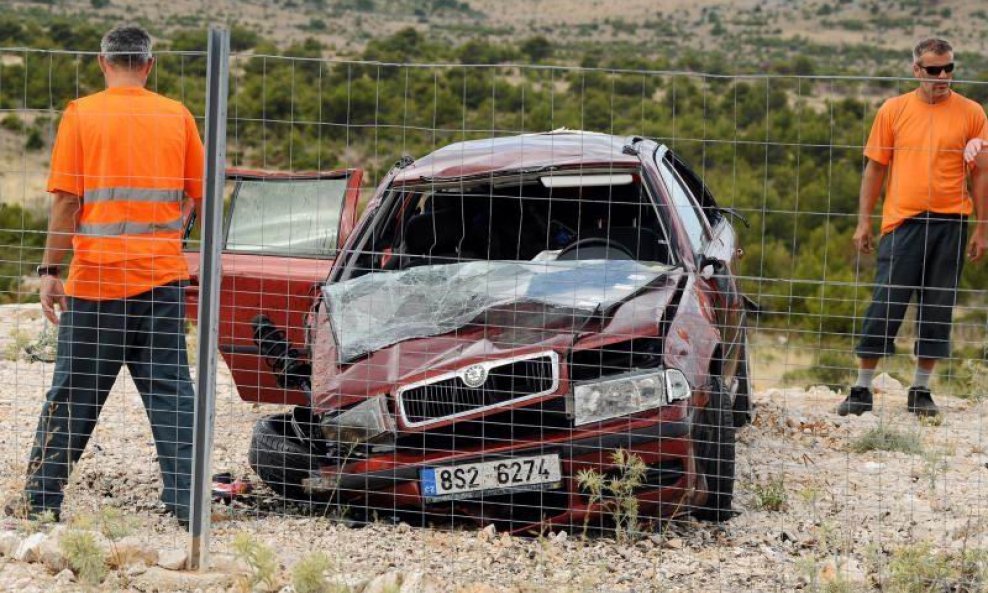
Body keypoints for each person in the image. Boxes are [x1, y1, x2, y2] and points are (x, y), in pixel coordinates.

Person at [12, 25, 204, 526]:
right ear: (149, 64)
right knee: (170, 394)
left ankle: (40, 502)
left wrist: (51, 270)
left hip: (96, 283)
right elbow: (197, 196)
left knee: (73, 394)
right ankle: (188, 506)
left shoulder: (82, 115)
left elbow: (66, 204)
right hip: (162, 281)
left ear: (102, 62)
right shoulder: (177, 116)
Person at [837, 38, 988, 418]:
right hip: (902, 222)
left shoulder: (973, 113)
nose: (943, 77)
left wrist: (981, 228)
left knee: (937, 307)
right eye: (934, 70)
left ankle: (921, 390)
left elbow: (982, 174)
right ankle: (862, 388)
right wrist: (863, 222)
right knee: (886, 303)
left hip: (951, 221)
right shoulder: (893, 110)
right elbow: (875, 168)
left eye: (949, 69)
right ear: (916, 69)